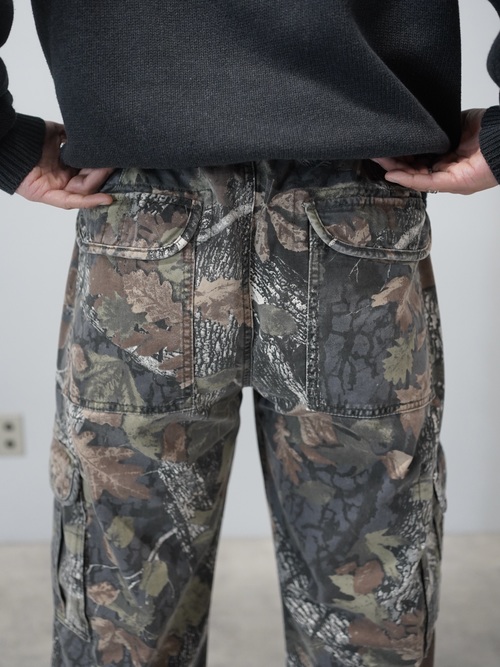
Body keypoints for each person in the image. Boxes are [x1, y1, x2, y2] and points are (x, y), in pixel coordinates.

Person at [1, 2, 499, 666]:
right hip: (355, 216)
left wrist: (5, 142)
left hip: (144, 225)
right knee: (369, 615)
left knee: (123, 611)